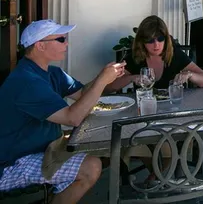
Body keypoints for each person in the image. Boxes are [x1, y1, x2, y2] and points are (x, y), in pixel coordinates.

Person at [0, 20, 125, 203]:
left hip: (45, 149)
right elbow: (72, 118)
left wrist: (106, 76)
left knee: (104, 150)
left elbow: (83, 94)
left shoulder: (51, 73)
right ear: (40, 45)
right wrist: (102, 81)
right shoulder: (27, 82)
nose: (66, 43)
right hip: (14, 162)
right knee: (91, 167)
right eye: (60, 39)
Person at [106, 15, 203, 93]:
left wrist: (189, 75)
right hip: (144, 108)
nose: (156, 45)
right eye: (150, 40)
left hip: (171, 107)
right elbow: (109, 87)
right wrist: (131, 78)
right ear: (142, 41)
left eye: (160, 39)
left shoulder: (175, 54)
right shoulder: (135, 57)